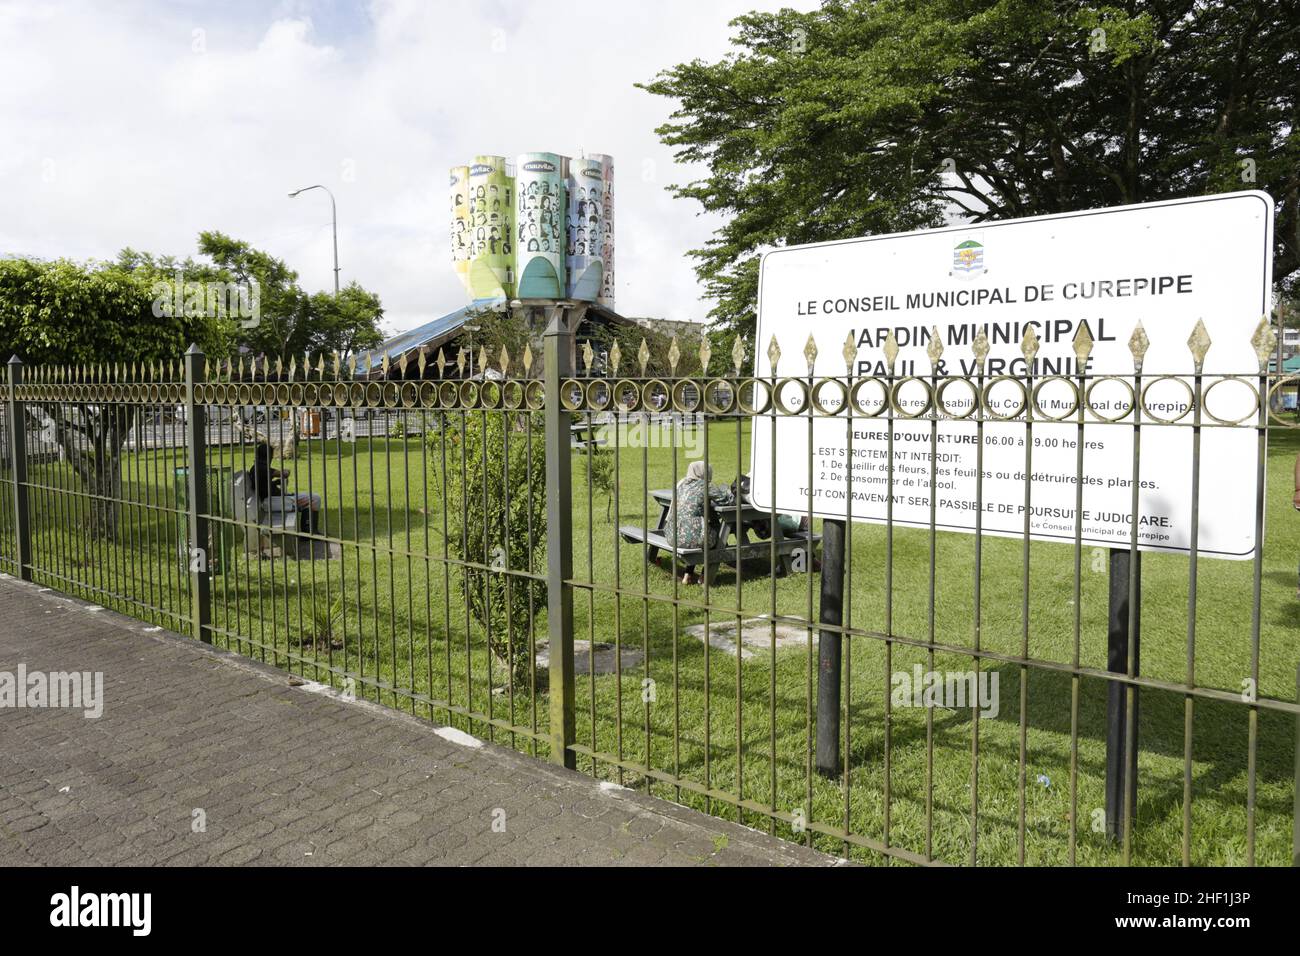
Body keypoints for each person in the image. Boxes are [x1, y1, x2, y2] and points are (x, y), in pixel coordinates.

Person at [662, 460, 716, 584]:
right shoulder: (705, 486)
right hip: (690, 538)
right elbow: (724, 499)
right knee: (717, 539)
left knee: (699, 533)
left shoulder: (681, 484)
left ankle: (688, 575)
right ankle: (703, 577)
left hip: (672, 536)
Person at [252, 442, 321, 536]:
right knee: (315, 499)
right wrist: (286, 471)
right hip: (273, 502)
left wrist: (275, 482)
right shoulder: (262, 468)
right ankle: (309, 532)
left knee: (310, 497)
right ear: (269, 455)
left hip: (273, 499)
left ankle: (309, 531)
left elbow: (263, 485)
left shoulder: (257, 466)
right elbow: (284, 474)